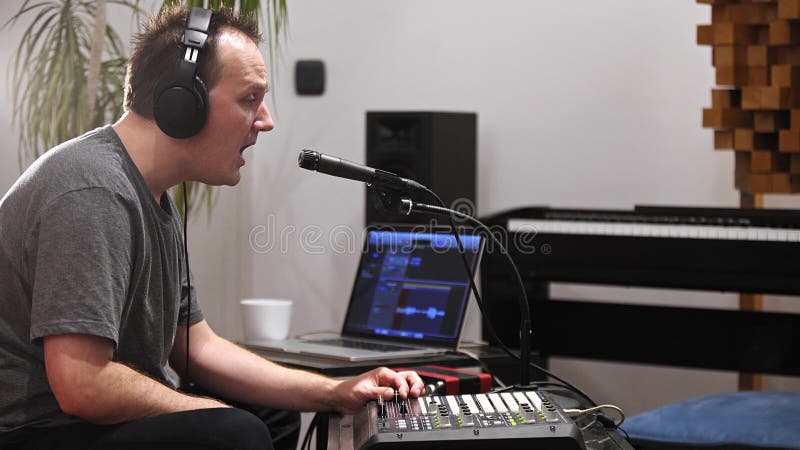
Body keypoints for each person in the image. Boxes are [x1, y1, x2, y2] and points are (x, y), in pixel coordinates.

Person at [0, 6, 423, 450]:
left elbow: (198, 349)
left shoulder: (153, 195)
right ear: (183, 104)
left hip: (78, 421)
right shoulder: (93, 190)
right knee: (236, 431)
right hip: (38, 431)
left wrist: (335, 391)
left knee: (269, 414)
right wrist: (217, 413)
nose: (265, 120)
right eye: (248, 99)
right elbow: (82, 383)